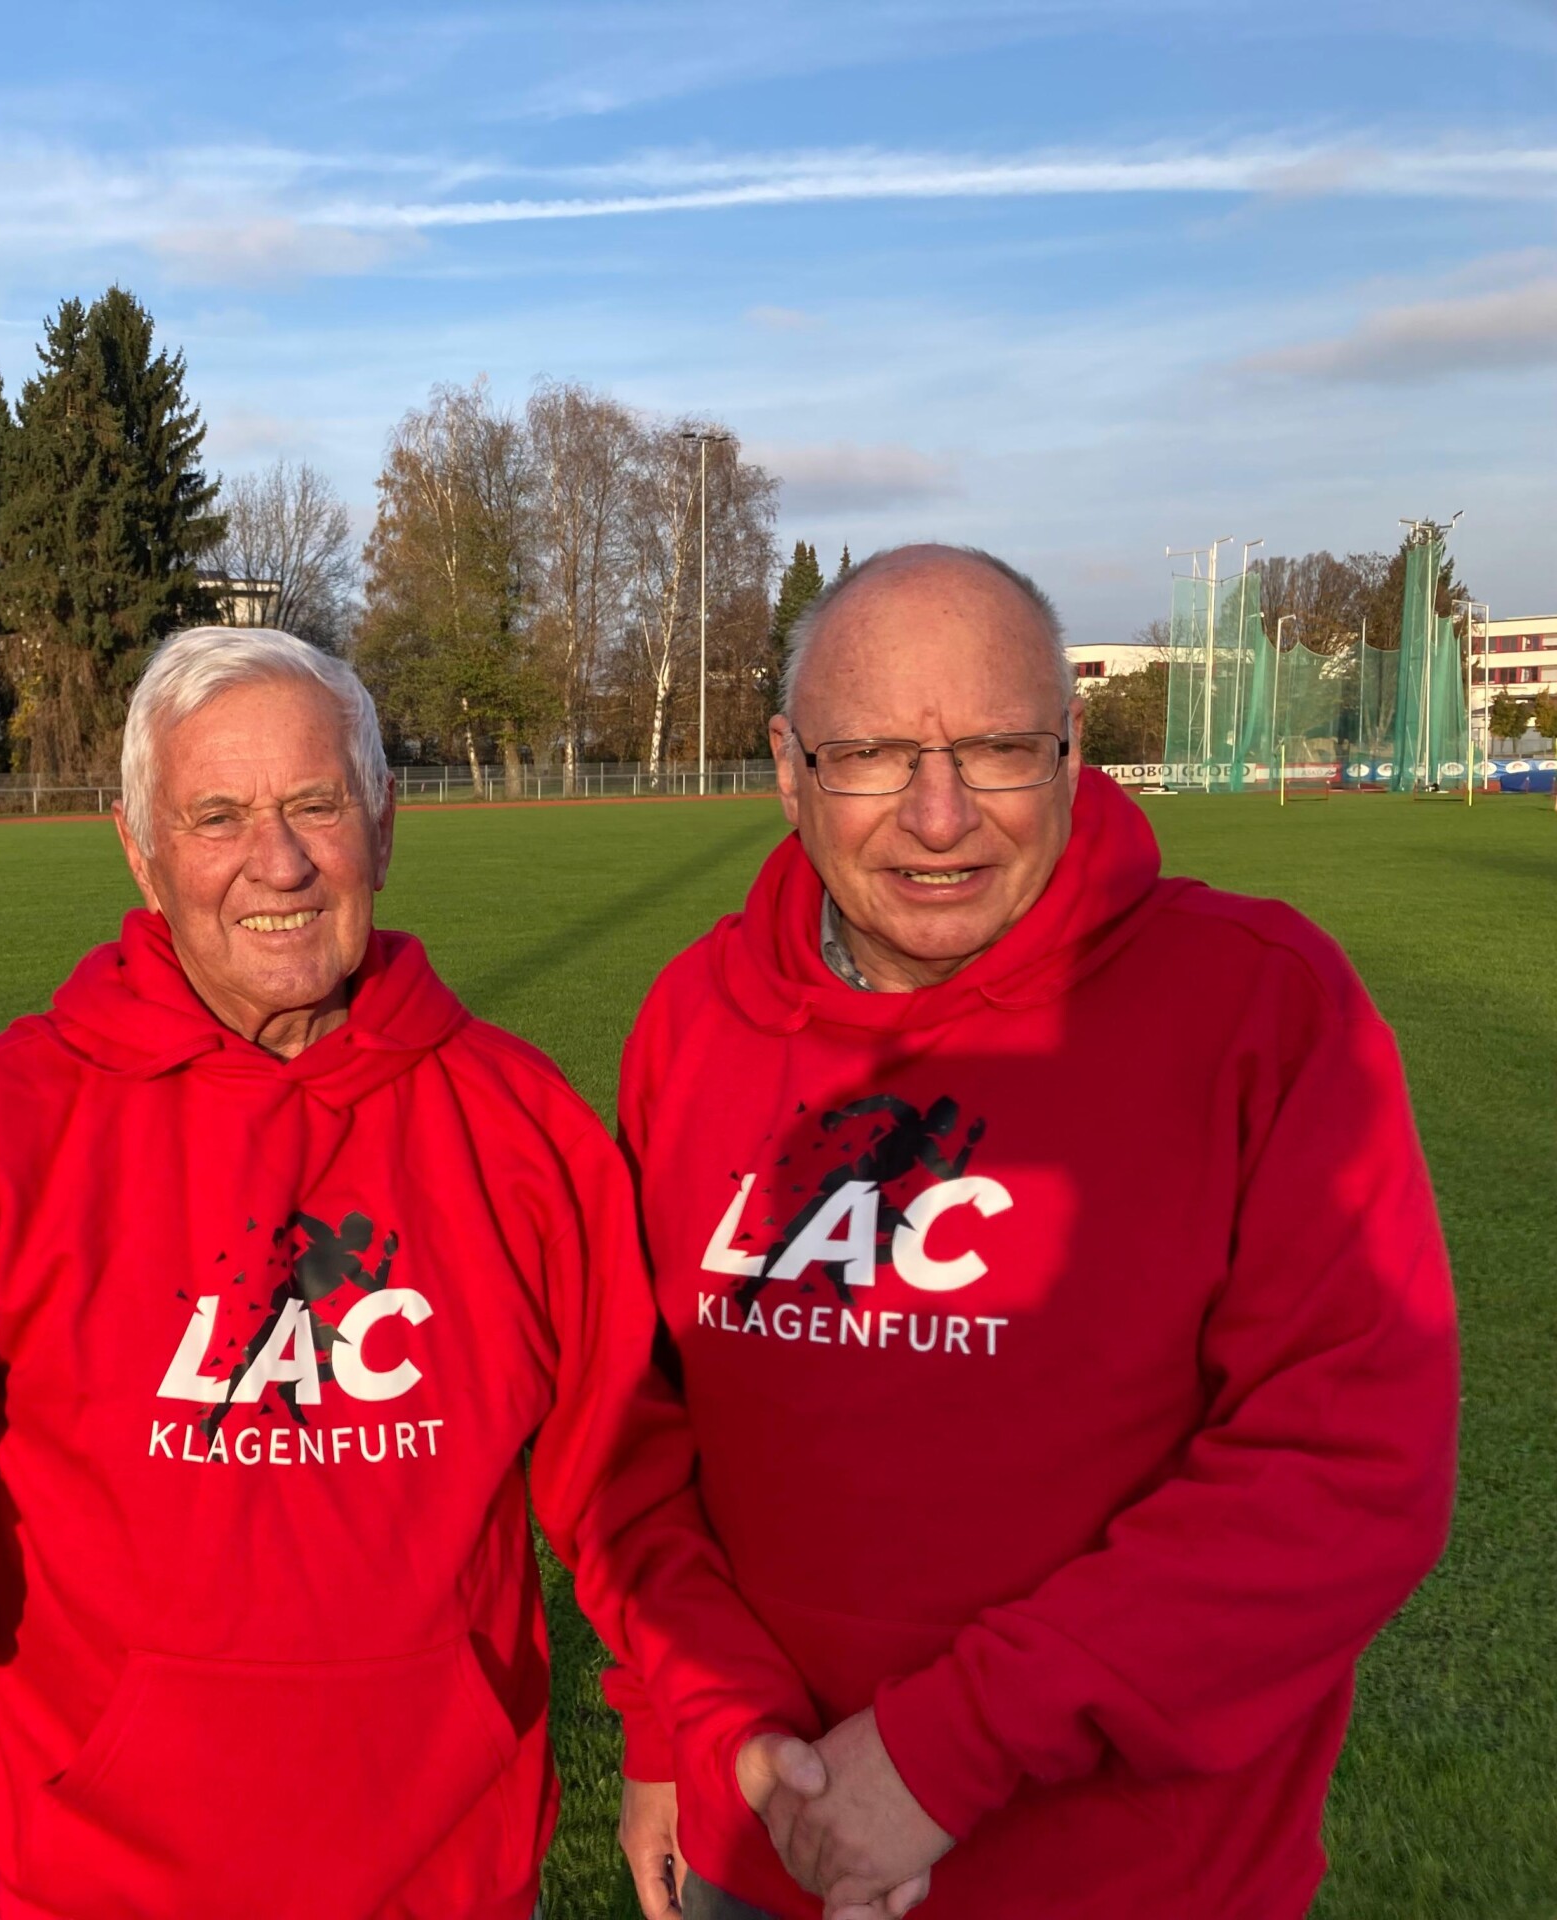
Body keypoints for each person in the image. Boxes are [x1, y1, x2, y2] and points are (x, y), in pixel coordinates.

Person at [0, 626, 801, 1920]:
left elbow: (628, 1485)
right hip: (99, 1891)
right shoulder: (1, 1129)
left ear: (383, 823)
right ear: (141, 848)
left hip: (450, 1884)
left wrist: (675, 1723)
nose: (277, 862)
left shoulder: (522, 1131)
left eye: (315, 806)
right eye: (217, 816)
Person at [608, 545, 1460, 1919]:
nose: (940, 816)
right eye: (873, 755)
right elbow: (638, 1432)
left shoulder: (1260, 1007)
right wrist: (674, 1720)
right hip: (758, 1836)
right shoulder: (692, 1021)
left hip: (1133, 1880)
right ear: (789, 769)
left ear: (1069, 750)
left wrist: (947, 1752)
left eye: (999, 750)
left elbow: (1348, 1467)